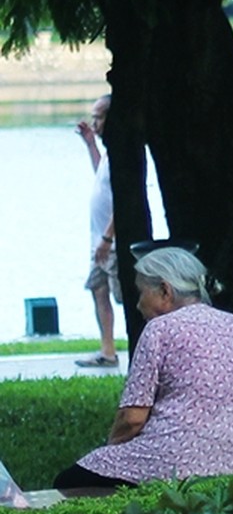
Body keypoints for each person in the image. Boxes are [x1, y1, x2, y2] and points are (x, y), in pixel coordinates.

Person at [52, 248, 233, 489]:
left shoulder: (160, 329)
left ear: (165, 290)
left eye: (141, 293)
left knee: (67, 482)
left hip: (173, 462)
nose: (139, 304)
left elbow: (132, 419)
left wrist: (109, 452)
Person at [75, 94, 120, 368]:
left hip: (109, 243)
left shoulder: (122, 155)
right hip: (99, 243)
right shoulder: (108, 156)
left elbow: (124, 202)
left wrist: (107, 237)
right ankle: (108, 351)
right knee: (98, 290)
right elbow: (101, 179)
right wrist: (90, 144)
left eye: (100, 117)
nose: (95, 122)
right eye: (93, 117)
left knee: (128, 297)